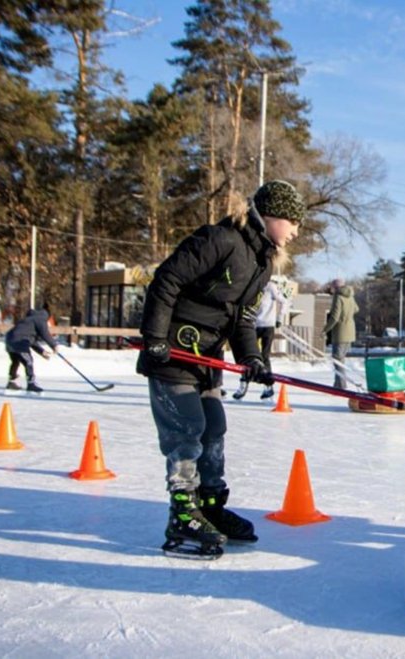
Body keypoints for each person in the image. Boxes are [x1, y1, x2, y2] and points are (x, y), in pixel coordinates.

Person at [136, 179, 304, 558]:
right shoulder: (222, 239)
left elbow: (243, 319)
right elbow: (166, 279)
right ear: (272, 215)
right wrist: (156, 336)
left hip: (206, 357)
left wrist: (251, 359)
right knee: (187, 429)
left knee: (214, 427)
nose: (296, 231)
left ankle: (211, 505)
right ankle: (182, 512)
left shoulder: (261, 263)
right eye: (293, 221)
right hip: (174, 352)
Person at [231, 278, 291, 400]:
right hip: (252, 325)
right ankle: (243, 385)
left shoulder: (270, 286)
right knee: (248, 357)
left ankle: (268, 387)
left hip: (267, 325)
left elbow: (284, 301)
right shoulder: (250, 284)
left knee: (264, 356)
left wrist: (279, 318)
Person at [4, 305, 58, 393]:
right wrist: (54, 345)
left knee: (15, 361)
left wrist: (42, 352)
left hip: (9, 341)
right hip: (19, 342)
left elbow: (31, 341)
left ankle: (11, 382)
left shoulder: (28, 321)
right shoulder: (40, 319)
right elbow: (45, 334)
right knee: (28, 361)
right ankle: (31, 384)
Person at [322, 278, 359, 389]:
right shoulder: (350, 295)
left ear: (335, 287)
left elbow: (334, 317)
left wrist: (325, 330)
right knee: (340, 359)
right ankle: (338, 384)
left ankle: (341, 386)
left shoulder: (338, 297)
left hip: (340, 332)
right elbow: (356, 309)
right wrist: (347, 315)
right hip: (350, 331)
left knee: (337, 360)